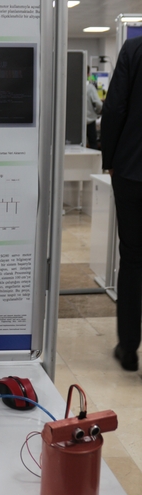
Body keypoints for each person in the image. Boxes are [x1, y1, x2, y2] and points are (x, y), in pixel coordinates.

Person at [101, 36, 142, 371]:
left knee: (132, 259)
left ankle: (129, 349)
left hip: (132, 170)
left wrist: (110, 158)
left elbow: (115, 107)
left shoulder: (134, 49)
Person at [86, 73, 102, 150]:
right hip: (89, 121)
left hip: (75, 123)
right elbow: (99, 104)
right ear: (88, 75)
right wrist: (97, 112)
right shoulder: (90, 88)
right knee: (93, 145)